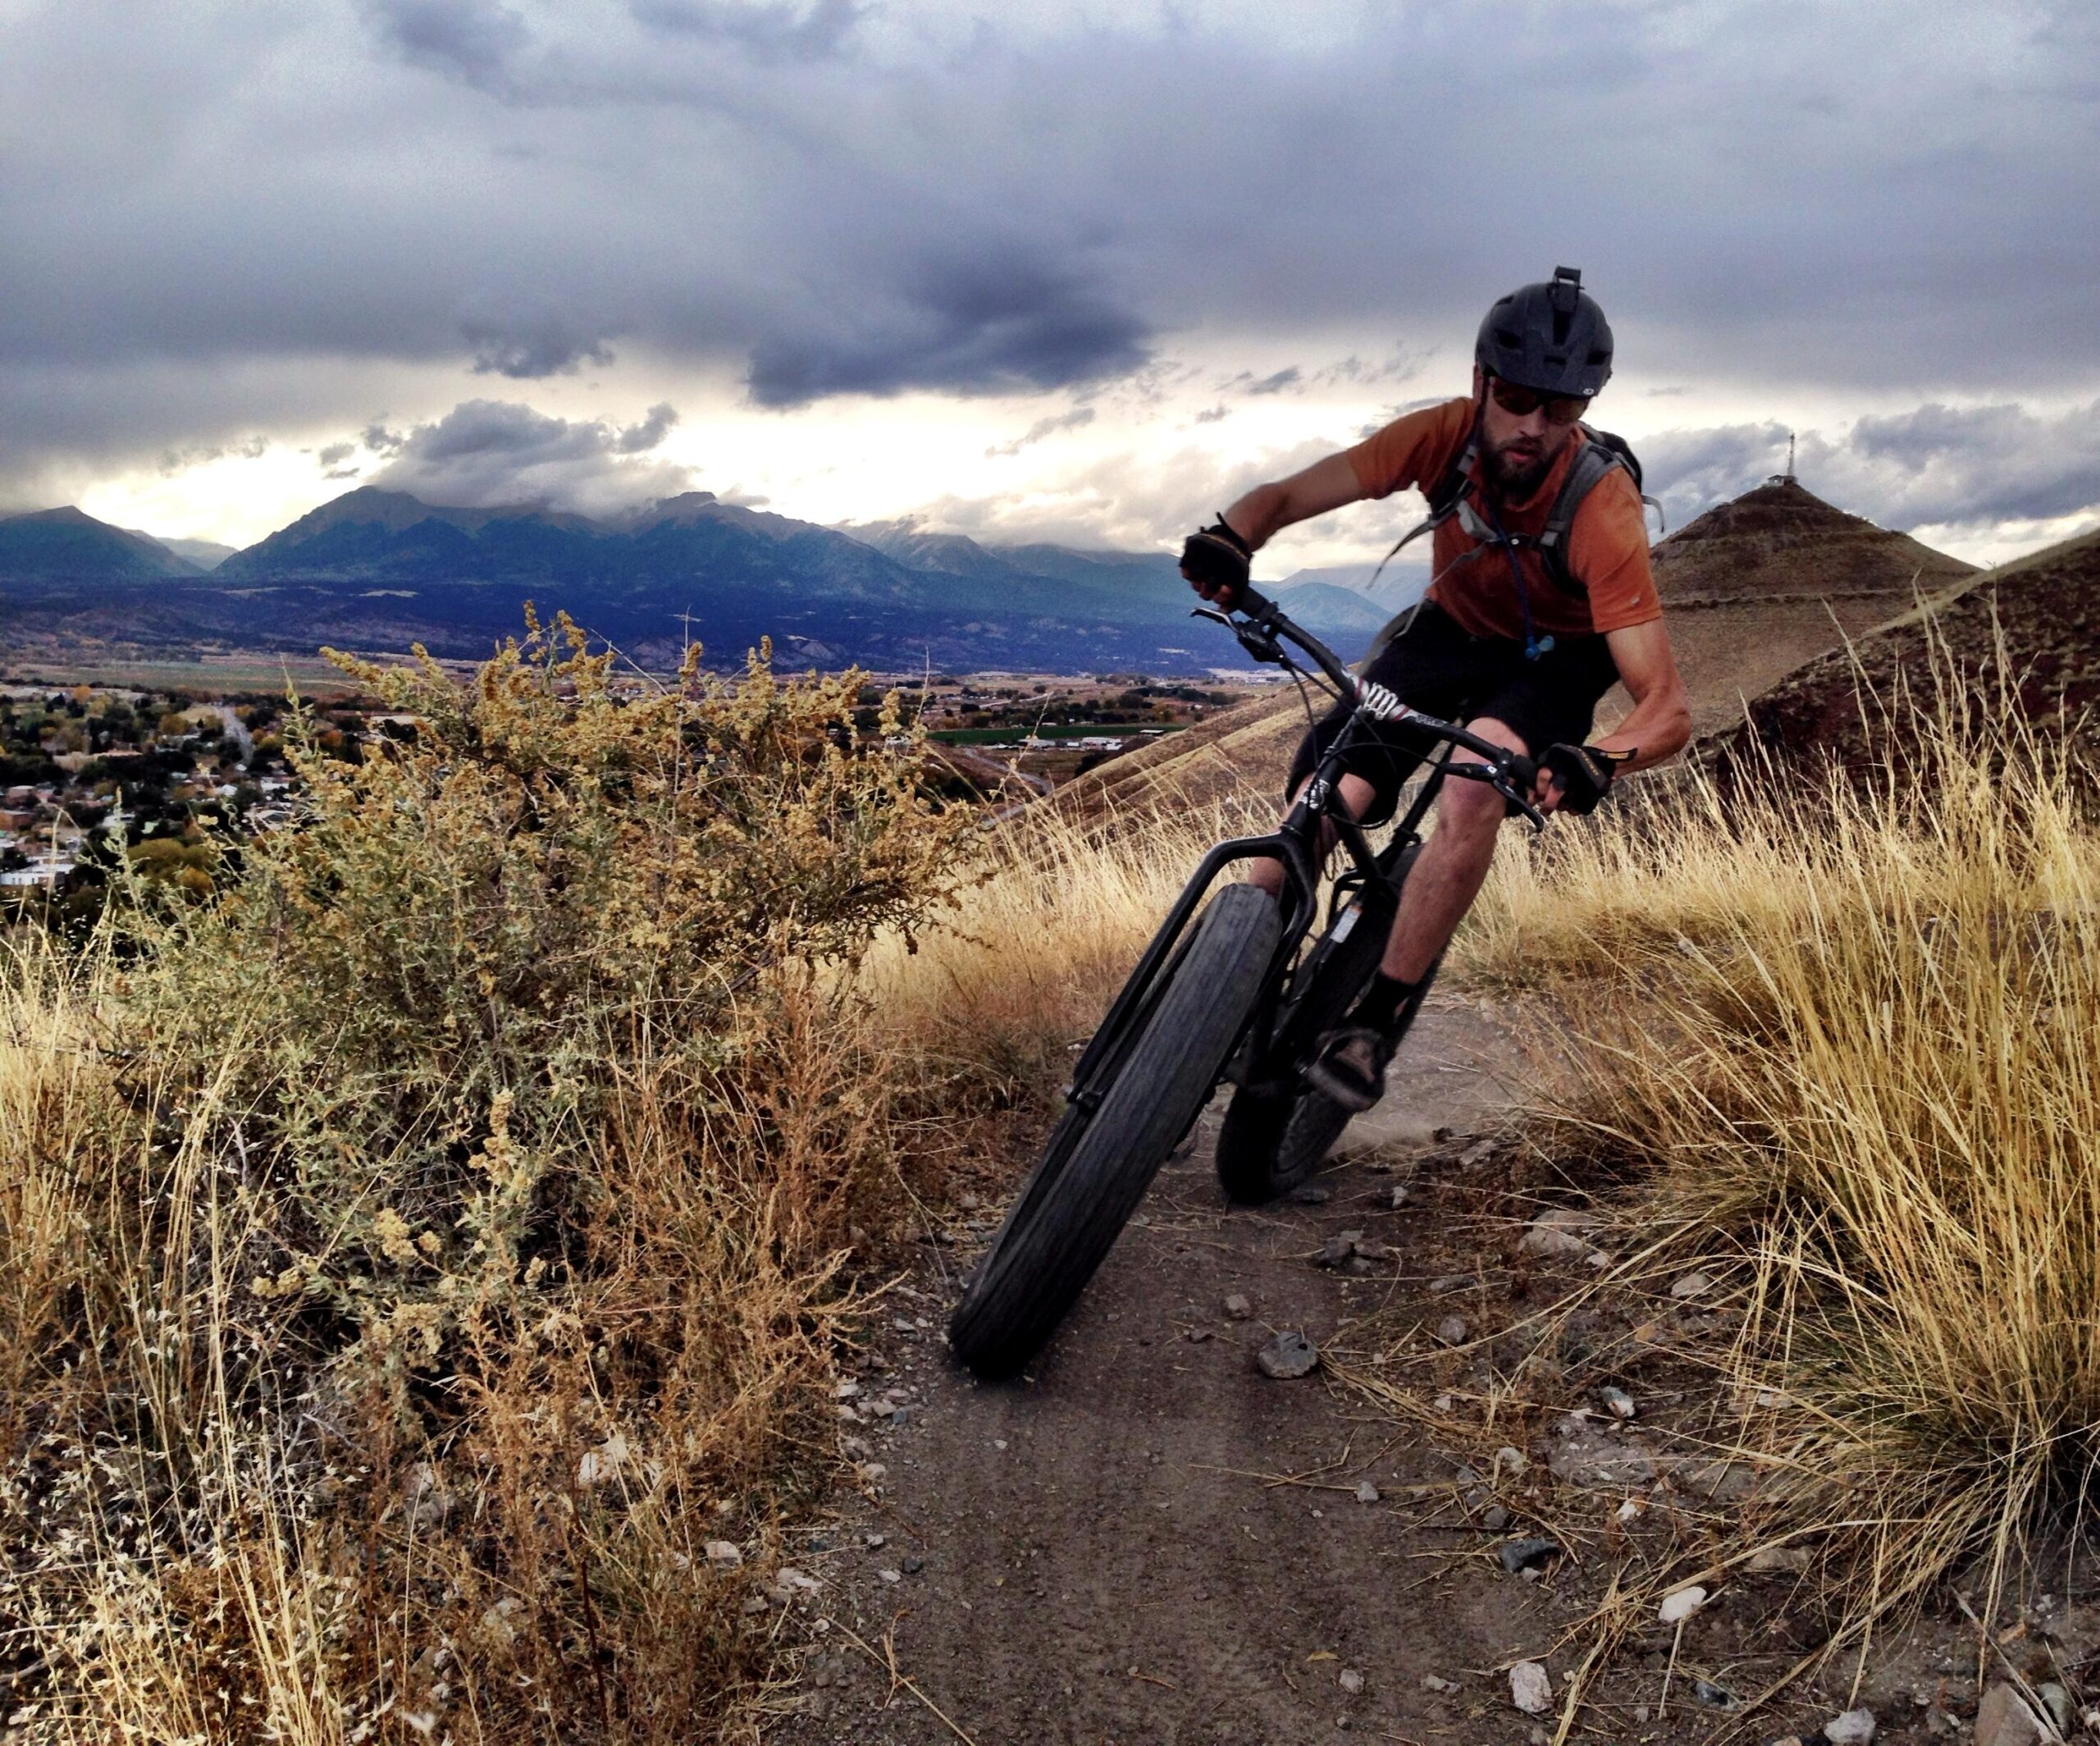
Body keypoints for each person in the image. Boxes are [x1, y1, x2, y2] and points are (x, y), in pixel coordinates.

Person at [1179, 267, 1691, 1113]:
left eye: (1560, 409)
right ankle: (1209, 1001)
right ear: (1481, 383)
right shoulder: (1443, 437)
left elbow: (1666, 705)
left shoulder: (1602, 506)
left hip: (1554, 657)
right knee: (1321, 801)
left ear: (1584, 408)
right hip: (1448, 629)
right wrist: (1231, 538)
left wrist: (1597, 759)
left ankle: (1371, 1024)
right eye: (1519, 398)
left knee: (1469, 787)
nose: (1534, 427)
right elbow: (1287, 495)